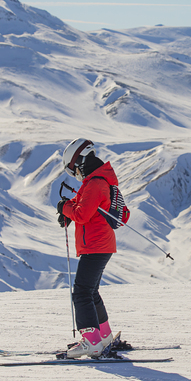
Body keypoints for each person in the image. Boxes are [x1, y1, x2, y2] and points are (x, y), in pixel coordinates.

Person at [57, 138, 120, 358]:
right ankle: (103, 337)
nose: (76, 174)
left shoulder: (95, 184)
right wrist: (67, 213)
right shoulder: (94, 182)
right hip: (99, 244)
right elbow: (81, 207)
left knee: (82, 292)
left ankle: (91, 342)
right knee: (91, 292)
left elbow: (81, 214)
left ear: (80, 161)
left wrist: (65, 208)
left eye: (74, 169)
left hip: (96, 245)